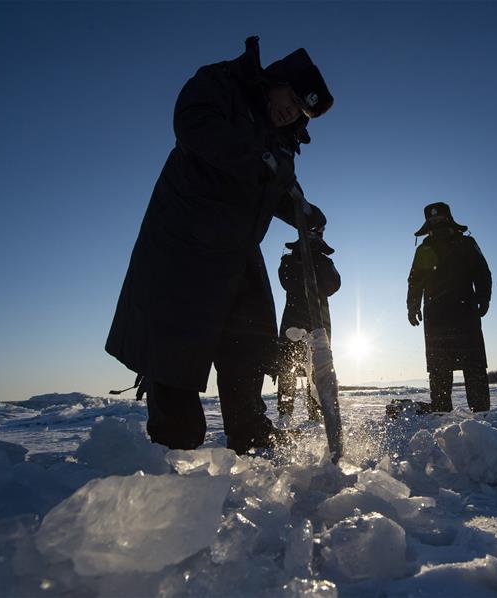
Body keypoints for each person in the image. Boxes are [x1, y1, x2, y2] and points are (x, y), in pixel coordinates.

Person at [105, 36, 333, 454]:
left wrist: (300, 207)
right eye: (293, 97)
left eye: (302, 111)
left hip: (237, 252)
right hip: (183, 241)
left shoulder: (281, 144)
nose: (291, 111)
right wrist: (257, 159)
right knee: (176, 343)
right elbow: (192, 124)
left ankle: (250, 432)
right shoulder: (223, 84)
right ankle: (175, 446)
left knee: (249, 339)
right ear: (277, 80)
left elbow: (271, 188)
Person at [407, 202, 492, 413]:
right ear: (427, 223)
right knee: (438, 369)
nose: (436, 222)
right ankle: (441, 415)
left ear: (449, 218)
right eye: (432, 220)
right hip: (435, 317)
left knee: (474, 365)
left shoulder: (466, 243)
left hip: (466, 313)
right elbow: (415, 280)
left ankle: (482, 414)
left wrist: (484, 296)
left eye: (440, 218)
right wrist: (412, 305)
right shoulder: (423, 249)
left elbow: (482, 271)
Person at [276, 229, 341, 423]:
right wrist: (300, 256)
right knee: (287, 367)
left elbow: (332, 286)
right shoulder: (289, 260)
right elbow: (287, 282)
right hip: (293, 323)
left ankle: (317, 414)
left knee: (318, 369)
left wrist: (317, 259)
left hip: (318, 323)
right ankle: (285, 413)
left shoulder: (325, 261)